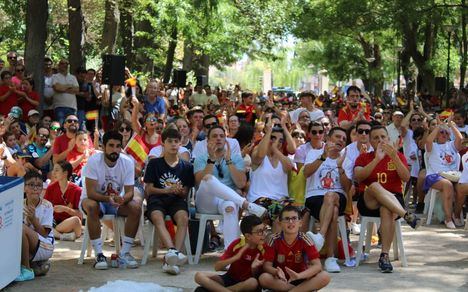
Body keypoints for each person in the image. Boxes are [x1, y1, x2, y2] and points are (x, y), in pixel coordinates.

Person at [354, 125, 421, 273]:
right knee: (375, 186)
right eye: (376, 138)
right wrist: (377, 159)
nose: (380, 140)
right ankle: (406, 215)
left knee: (387, 209)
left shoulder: (397, 155)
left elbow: (406, 177)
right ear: (370, 141)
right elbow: (358, 177)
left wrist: (395, 157)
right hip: (369, 199)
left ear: (388, 139)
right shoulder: (364, 157)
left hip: (393, 199)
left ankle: (384, 256)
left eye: (383, 137)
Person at [194, 125, 266, 248]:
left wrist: (228, 160)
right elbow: (200, 182)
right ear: (208, 140)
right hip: (207, 202)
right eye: (215, 136)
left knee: (231, 206)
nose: (218, 139)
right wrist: (211, 160)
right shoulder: (201, 158)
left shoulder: (235, 158)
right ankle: (245, 204)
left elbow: (241, 183)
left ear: (226, 140)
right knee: (208, 178)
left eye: (222, 136)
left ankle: (231, 253)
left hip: (227, 200)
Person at [80, 131, 141, 269]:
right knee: (92, 206)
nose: (115, 150)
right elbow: (90, 193)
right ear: (103, 147)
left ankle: (124, 253)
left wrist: (122, 199)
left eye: (118, 146)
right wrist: (109, 198)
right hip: (94, 199)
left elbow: (130, 192)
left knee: (136, 207)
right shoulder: (94, 161)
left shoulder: (127, 162)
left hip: (115, 201)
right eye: (111, 145)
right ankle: (99, 254)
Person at [144, 128, 194, 275]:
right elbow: (149, 189)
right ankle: (173, 252)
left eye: (176, 141)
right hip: (157, 199)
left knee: (183, 218)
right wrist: (167, 191)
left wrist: (179, 191)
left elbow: (186, 192)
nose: (173, 144)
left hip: (176, 201)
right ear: (163, 143)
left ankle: (172, 256)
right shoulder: (154, 164)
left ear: (180, 144)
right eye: (170, 141)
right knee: (157, 217)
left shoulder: (186, 166)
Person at [303, 127, 350, 273]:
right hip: (314, 197)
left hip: (337, 196)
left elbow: (347, 187)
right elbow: (306, 173)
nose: (341, 140)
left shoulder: (345, 158)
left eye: (344, 139)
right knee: (333, 212)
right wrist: (323, 156)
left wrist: (340, 166)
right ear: (329, 139)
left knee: (330, 196)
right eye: (338, 137)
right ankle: (330, 259)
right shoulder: (315, 153)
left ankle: (320, 236)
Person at [258, 205, 330, 292]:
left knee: (325, 276)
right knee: (263, 278)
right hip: (281, 280)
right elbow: (266, 266)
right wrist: (276, 272)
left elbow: (317, 265)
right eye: (287, 219)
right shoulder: (273, 240)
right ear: (280, 223)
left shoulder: (305, 239)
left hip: (301, 278)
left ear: (300, 222)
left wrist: (298, 276)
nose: (291, 222)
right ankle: (300, 290)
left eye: (294, 218)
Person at [194, 215, 266, 292]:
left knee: (253, 282)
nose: (264, 234)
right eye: (260, 232)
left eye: (264, 230)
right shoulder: (237, 244)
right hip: (230, 278)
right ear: (248, 236)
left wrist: (254, 269)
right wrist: (235, 257)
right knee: (199, 276)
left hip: (247, 284)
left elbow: (260, 278)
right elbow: (217, 267)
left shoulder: (264, 249)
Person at [248, 118, 294, 231]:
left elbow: (289, 165)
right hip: (260, 199)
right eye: (273, 138)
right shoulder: (257, 155)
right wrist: (268, 131)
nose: (276, 142)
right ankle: (276, 246)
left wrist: (284, 129)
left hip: (281, 199)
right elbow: (260, 154)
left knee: (301, 212)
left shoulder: (284, 159)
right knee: (280, 213)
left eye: (280, 140)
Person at [424, 116, 464, 228]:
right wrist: (439, 126)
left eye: (446, 133)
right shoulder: (433, 145)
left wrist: (451, 125)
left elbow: (460, 139)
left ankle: (456, 215)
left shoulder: (451, 144)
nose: (444, 134)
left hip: (453, 175)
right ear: (436, 134)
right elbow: (428, 140)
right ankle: (448, 219)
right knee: (447, 185)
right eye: (441, 132)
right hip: (435, 175)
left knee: (462, 187)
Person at [16, 170, 54, 282]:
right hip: (29, 244)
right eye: (31, 184)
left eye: (39, 185)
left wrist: (33, 220)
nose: (35, 188)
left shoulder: (47, 206)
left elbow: (44, 234)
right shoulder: (19, 203)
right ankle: (33, 265)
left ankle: (26, 269)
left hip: (45, 245)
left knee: (21, 228)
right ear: (24, 188)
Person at [44, 161, 82, 241]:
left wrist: (66, 209)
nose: (53, 173)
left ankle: (54, 233)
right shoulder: (51, 188)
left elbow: (81, 215)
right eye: (53, 170)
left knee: (75, 220)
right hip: (55, 222)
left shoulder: (77, 190)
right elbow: (45, 208)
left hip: (70, 224)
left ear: (65, 173)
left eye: (57, 170)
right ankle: (62, 236)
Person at [52, 59, 79, 124]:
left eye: (67, 64)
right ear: (59, 65)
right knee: (59, 126)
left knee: (71, 126)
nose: (65, 65)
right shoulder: (54, 76)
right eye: (63, 63)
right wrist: (70, 86)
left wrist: (63, 87)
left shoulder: (73, 77)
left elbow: (77, 90)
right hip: (59, 106)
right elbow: (57, 88)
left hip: (72, 107)